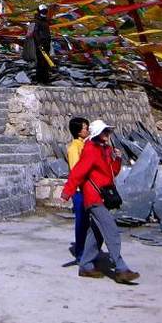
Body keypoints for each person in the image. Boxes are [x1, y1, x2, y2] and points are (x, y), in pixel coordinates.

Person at [61, 119, 139, 284]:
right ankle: (121, 267)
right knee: (110, 229)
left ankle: (86, 265)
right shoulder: (90, 150)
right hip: (94, 197)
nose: (108, 134)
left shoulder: (105, 150)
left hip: (104, 196)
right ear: (97, 134)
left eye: (108, 131)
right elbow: (78, 172)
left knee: (96, 234)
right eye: (105, 132)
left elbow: (113, 172)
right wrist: (67, 192)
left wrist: (117, 159)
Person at [66, 117, 93, 263]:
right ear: (78, 131)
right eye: (84, 127)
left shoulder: (86, 145)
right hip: (79, 190)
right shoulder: (74, 148)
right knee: (81, 222)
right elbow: (77, 170)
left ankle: (87, 251)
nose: (86, 129)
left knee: (88, 223)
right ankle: (81, 253)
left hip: (87, 189)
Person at [25, 5, 53, 84]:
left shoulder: (45, 21)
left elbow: (46, 33)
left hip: (46, 44)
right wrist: (39, 44)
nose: (44, 13)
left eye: (45, 11)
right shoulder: (37, 22)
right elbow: (36, 34)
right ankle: (41, 79)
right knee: (41, 62)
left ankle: (44, 78)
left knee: (46, 61)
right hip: (41, 45)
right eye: (43, 11)